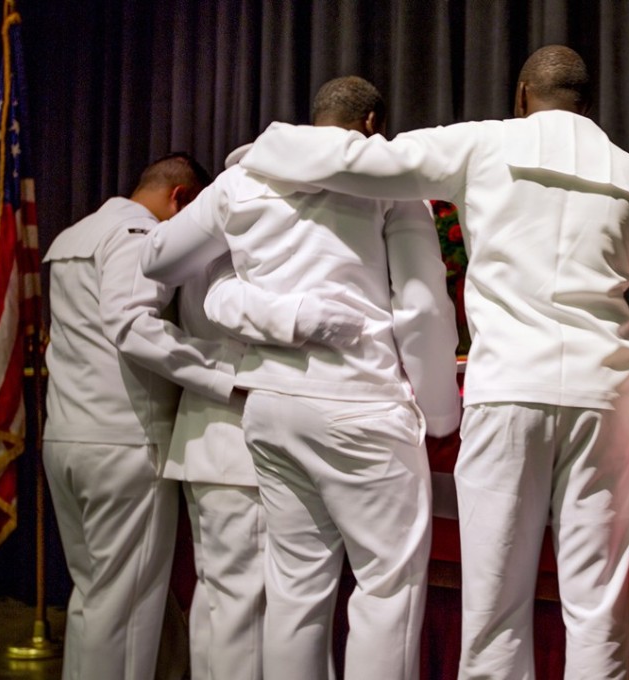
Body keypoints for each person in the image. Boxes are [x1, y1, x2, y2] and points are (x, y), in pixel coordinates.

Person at [238, 45, 629, 679]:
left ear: (522, 97)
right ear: (589, 106)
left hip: (506, 390)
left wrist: (267, 148)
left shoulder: (483, 145)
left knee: (495, 607)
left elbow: (358, 161)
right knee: (595, 605)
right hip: (601, 393)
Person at [140, 76, 461, 680]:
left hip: (272, 408)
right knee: (387, 589)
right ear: (370, 126)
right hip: (360, 404)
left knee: (294, 592)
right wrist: (442, 413)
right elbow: (420, 307)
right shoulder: (388, 184)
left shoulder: (242, 179)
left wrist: (232, 287)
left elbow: (156, 257)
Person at [167, 147, 368, 680]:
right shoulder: (259, 239)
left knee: (217, 605)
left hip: (206, 439)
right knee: (246, 611)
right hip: (241, 436)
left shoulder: (207, 230)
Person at [42, 153, 243, 680]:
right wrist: (227, 371)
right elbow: (133, 327)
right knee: (124, 615)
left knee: (92, 602)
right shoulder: (137, 235)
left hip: (68, 435)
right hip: (125, 442)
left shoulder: (74, 234)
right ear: (181, 198)